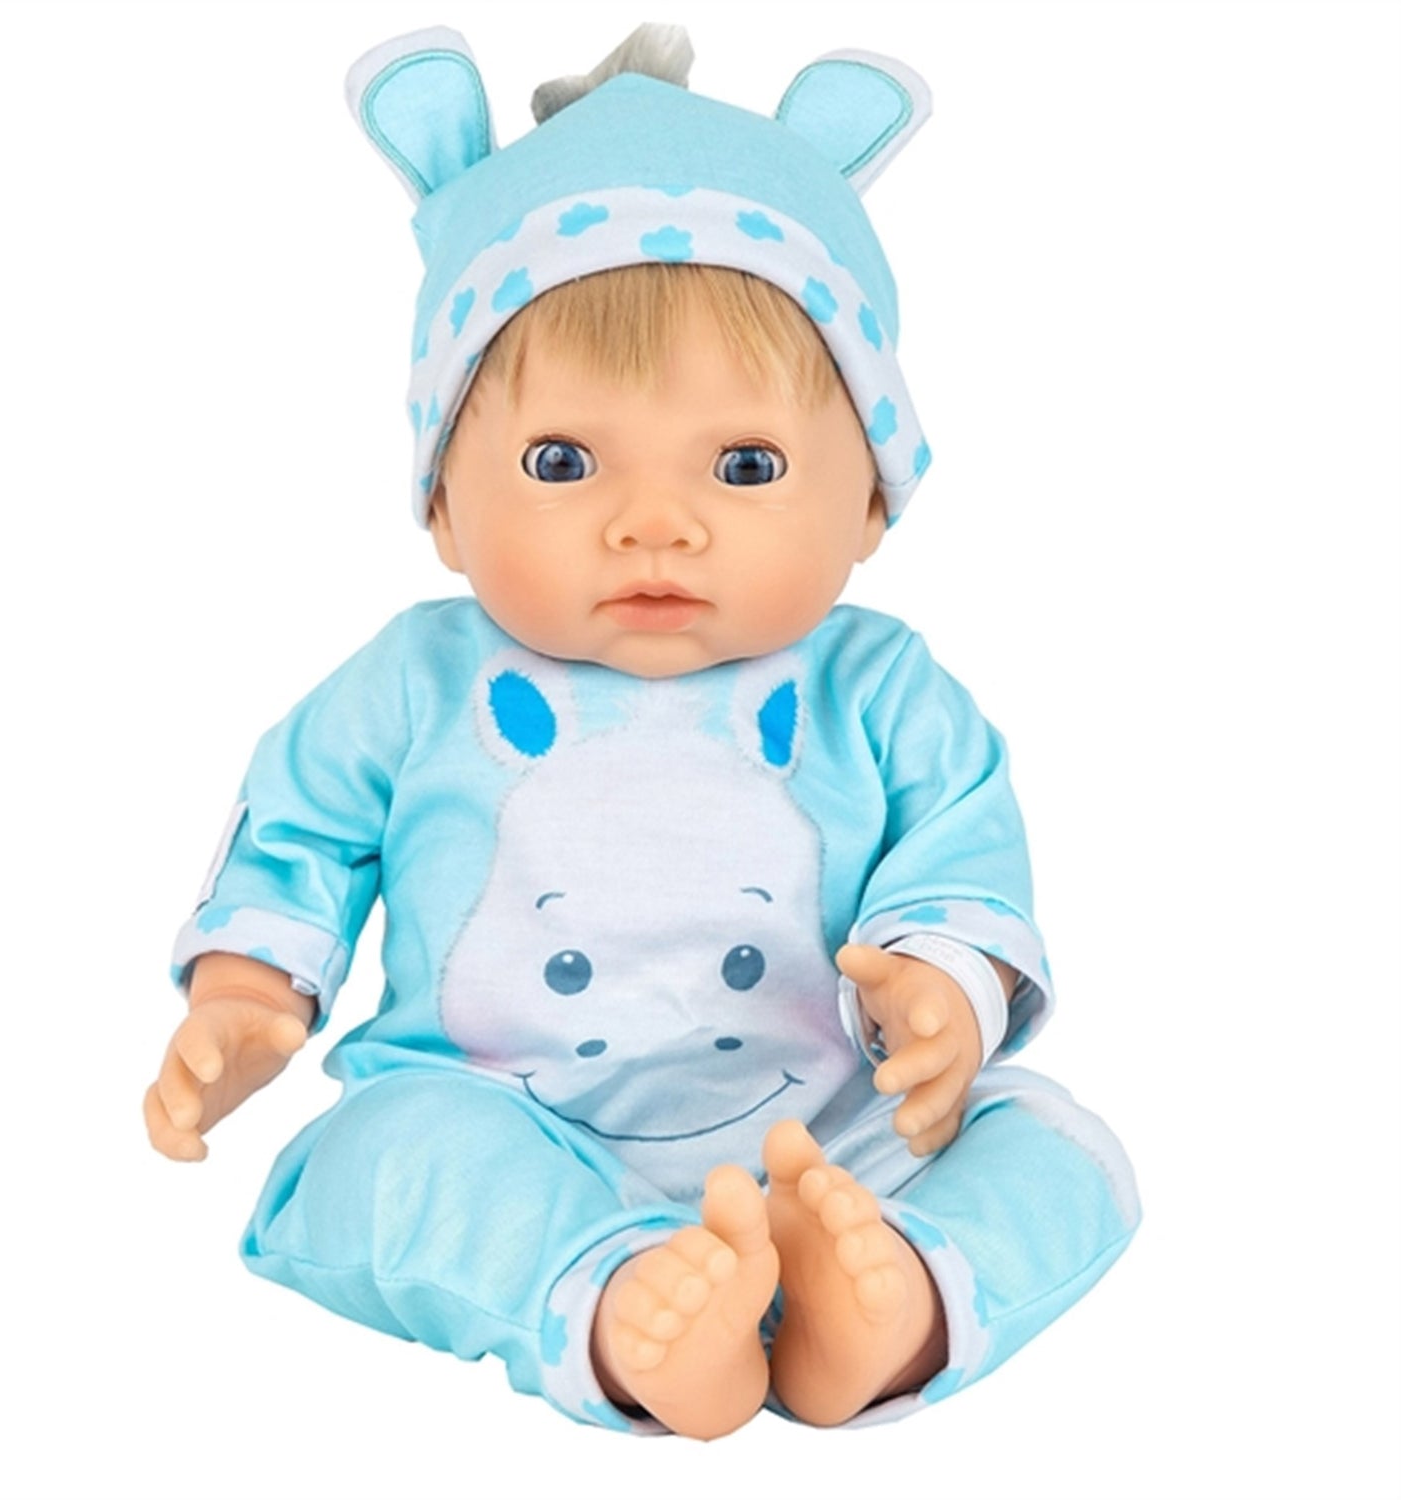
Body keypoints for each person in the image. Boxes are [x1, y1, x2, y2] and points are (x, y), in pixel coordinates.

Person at [144, 26, 1140, 1439]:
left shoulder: (882, 687)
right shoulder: (413, 681)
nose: (654, 522)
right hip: (506, 1129)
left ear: (870, 499)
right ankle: (621, 1308)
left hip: (829, 1148)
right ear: (444, 503)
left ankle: (893, 1298)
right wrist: (246, 995)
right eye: (563, 462)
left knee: (1062, 1147)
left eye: (745, 464)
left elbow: (959, 857)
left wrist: (941, 994)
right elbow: (298, 829)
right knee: (382, 1153)